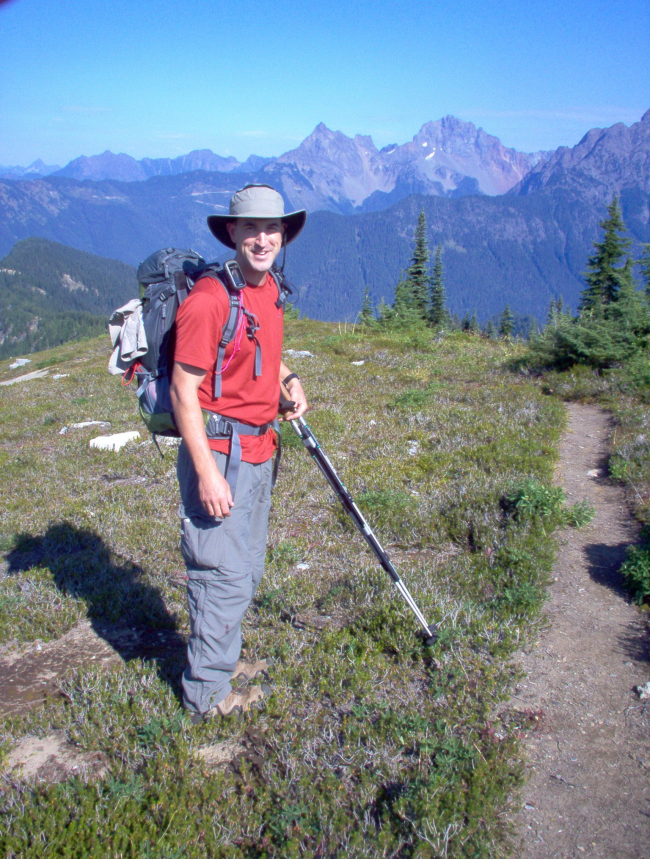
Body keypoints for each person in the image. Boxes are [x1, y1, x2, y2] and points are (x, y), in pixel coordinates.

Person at [169, 184, 308, 721]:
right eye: (250, 227)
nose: (262, 238)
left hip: (259, 451)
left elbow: (263, 353)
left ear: (283, 234)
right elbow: (185, 392)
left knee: (245, 568)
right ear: (232, 232)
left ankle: (220, 663)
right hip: (221, 454)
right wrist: (206, 473)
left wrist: (289, 379)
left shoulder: (268, 288)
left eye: (271, 228)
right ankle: (206, 696)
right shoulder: (208, 301)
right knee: (218, 573)